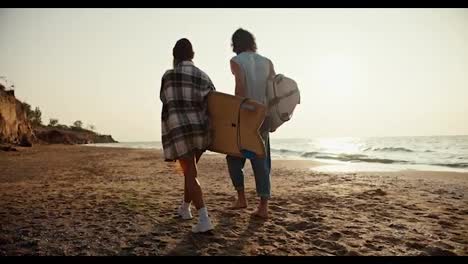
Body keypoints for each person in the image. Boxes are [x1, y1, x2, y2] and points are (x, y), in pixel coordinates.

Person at [160, 38, 215, 233]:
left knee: (190, 172)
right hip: (201, 131)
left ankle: (204, 219)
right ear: (193, 55)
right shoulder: (203, 76)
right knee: (189, 172)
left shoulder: (168, 76)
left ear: (175, 56)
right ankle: (185, 209)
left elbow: (164, 98)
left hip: (180, 131)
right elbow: (214, 102)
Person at [226, 28, 276, 219]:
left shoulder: (236, 61)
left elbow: (240, 87)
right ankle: (263, 207)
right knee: (262, 162)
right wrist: (271, 115)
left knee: (233, 157)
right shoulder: (267, 62)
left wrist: (235, 113)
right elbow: (272, 91)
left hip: (245, 115)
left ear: (235, 44)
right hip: (263, 116)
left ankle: (241, 198)